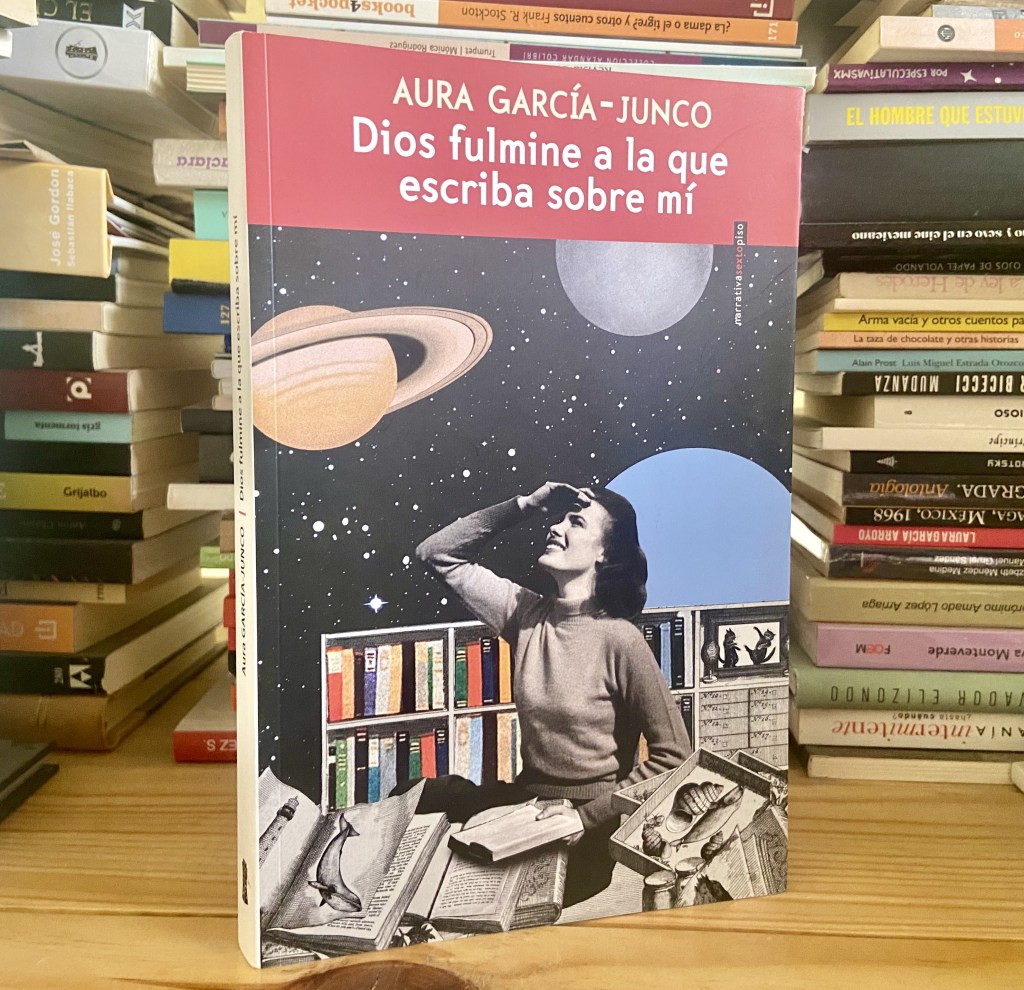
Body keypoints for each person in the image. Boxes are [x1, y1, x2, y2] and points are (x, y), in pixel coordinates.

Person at [410, 481, 692, 906]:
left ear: (604, 553)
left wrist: (586, 816)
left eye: (575, 522)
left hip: (588, 824)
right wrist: (525, 504)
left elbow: (675, 756)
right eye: (559, 518)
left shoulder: (622, 640)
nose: (556, 527)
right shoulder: (526, 614)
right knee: (415, 796)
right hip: (529, 802)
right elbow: (436, 553)